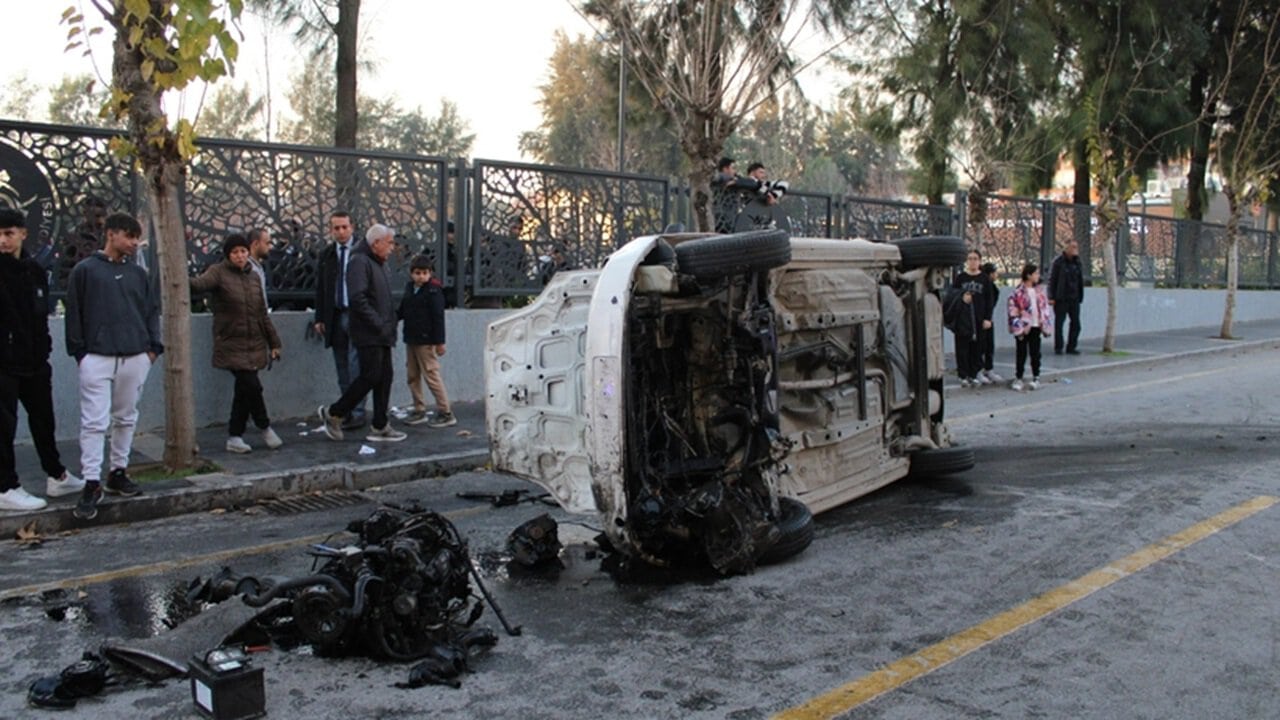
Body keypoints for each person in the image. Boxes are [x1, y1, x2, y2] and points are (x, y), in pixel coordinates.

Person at [65, 212, 162, 520]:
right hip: (97, 356)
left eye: (137, 237)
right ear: (111, 234)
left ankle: (117, 472)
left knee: (126, 418)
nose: (135, 243)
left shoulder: (138, 274)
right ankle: (91, 481)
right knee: (94, 422)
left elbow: (150, 310)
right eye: (129, 236)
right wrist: (80, 353)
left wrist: (152, 349)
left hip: (136, 356)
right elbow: (74, 313)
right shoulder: (85, 271)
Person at [0, 209, 83, 511]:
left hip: (34, 362)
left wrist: (43, 350)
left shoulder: (34, 271)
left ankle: (57, 475)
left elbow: (39, 315)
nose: (2, 240)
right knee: (4, 428)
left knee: (44, 420)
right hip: (4, 365)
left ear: (22, 233)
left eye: (8, 233)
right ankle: (6, 487)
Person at [189, 234, 284, 454]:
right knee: (252, 385)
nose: (240, 256)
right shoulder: (218, 273)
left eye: (243, 251)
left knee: (244, 390)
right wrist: (178, 278)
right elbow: (200, 284)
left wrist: (274, 342)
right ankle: (265, 426)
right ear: (228, 255)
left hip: (253, 342)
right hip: (231, 342)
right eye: (235, 252)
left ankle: (235, 435)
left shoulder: (253, 278)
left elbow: (262, 314)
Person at [318, 224, 406, 443]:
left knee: (384, 377)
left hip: (382, 332)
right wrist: (378, 324)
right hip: (369, 331)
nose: (392, 248)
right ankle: (335, 413)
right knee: (370, 375)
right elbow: (358, 298)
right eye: (390, 243)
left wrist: (390, 323)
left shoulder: (378, 263)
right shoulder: (359, 261)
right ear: (376, 243)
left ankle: (380, 424)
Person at [313, 211, 367, 429]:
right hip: (335, 315)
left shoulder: (363, 252)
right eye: (336, 228)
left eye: (345, 227)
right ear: (331, 230)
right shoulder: (327, 255)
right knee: (341, 365)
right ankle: (345, 410)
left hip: (356, 315)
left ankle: (358, 410)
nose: (341, 232)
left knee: (357, 365)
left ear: (352, 227)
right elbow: (321, 288)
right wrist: (319, 317)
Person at [398, 255, 456, 428]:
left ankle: (445, 411)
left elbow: (438, 318)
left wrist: (440, 342)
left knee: (431, 375)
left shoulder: (434, 291)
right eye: (417, 273)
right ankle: (418, 408)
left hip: (426, 340)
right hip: (412, 338)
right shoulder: (410, 288)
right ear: (411, 274)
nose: (421, 276)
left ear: (430, 273)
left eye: (424, 273)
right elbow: (403, 309)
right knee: (412, 375)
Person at [946, 249, 995, 387]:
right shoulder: (961, 278)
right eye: (970, 259)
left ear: (979, 261)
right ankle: (963, 374)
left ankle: (974, 373)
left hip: (979, 318)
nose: (972, 261)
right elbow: (951, 295)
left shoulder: (984, 279)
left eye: (975, 258)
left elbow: (989, 300)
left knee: (977, 347)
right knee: (962, 348)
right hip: (963, 319)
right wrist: (962, 297)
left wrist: (988, 318)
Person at [1007, 263, 1054, 392]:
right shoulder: (1018, 292)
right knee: (1021, 352)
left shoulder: (1039, 292)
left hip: (1036, 326)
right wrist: (1018, 327)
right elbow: (1013, 310)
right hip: (1023, 327)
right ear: (1029, 275)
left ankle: (1036, 376)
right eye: (1036, 273)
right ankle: (1019, 377)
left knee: (1035, 352)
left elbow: (1044, 309)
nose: (1038, 276)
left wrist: (1045, 325)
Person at [1048, 240, 1084, 355]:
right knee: (1059, 323)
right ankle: (1059, 347)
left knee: (1076, 324)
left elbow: (1079, 280)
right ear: (1066, 248)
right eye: (1072, 247)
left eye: (1076, 247)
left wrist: (1080, 295)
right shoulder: (1058, 262)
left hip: (1074, 298)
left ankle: (1071, 347)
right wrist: (1051, 296)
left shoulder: (1077, 262)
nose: (1075, 249)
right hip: (1061, 298)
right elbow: (1052, 280)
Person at [978, 262, 1003, 384]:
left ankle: (989, 368)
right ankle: (978, 370)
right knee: (980, 346)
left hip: (989, 320)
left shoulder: (994, 289)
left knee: (989, 346)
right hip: (979, 320)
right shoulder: (981, 287)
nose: (996, 275)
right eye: (994, 272)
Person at [246, 227, 272, 308]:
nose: (270, 247)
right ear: (256, 244)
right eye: (267, 243)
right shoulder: (248, 268)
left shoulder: (257, 267)